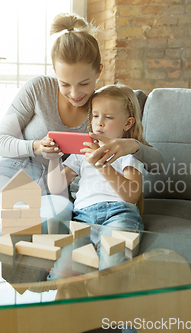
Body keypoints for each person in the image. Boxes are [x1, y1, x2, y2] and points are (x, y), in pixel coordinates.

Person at [0, 13, 163, 220]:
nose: (75, 94)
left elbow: (156, 163)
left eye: (84, 83)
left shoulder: (102, 109)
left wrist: (132, 145)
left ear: (99, 71)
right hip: (15, 169)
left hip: (55, 190)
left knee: (50, 231)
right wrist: (37, 146)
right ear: (54, 72)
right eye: (64, 84)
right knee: (5, 230)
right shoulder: (38, 88)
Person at [44, 84, 145, 270]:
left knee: (111, 265)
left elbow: (131, 195)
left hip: (120, 214)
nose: (99, 123)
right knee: (63, 271)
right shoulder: (82, 151)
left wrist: (101, 164)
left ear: (128, 123)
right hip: (82, 218)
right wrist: (53, 160)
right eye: (96, 116)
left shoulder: (129, 153)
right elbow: (56, 186)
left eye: (109, 117)